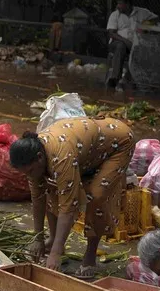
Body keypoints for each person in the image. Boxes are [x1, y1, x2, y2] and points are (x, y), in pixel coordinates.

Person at [9, 117, 134, 277]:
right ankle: (55, 241)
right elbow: (38, 198)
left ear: (40, 157)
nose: (30, 176)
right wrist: (38, 238)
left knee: (96, 196)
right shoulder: (35, 160)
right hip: (86, 152)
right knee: (52, 188)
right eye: (26, 173)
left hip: (117, 145)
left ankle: (89, 256)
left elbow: (69, 207)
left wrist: (55, 254)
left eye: (31, 171)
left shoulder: (61, 157)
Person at [105, 0, 157, 88]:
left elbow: (155, 18)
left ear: (128, 5)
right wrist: (126, 41)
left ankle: (130, 79)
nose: (118, 6)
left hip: (136, 44)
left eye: (120, 4)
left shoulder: (142, 12)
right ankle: (115, 78)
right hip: (117, 42)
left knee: (143, 48)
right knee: (121, 46)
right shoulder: (115, 14)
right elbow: (111, 33)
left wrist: (146, 26)